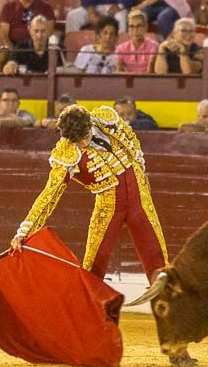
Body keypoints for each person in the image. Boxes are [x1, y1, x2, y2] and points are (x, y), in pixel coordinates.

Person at [9, 102, 168, 281]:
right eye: (77, 141)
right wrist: (24, 232)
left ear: (90, 123)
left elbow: (130, 138)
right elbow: (50, 194)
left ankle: (167, 303)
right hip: (109, 205)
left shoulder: (106, 117)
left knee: (156, 256)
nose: (84, 143)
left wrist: (141, 168)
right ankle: (91, 305)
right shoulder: (66, 153)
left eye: (85, 136)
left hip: (138, 192)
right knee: (94, 262)